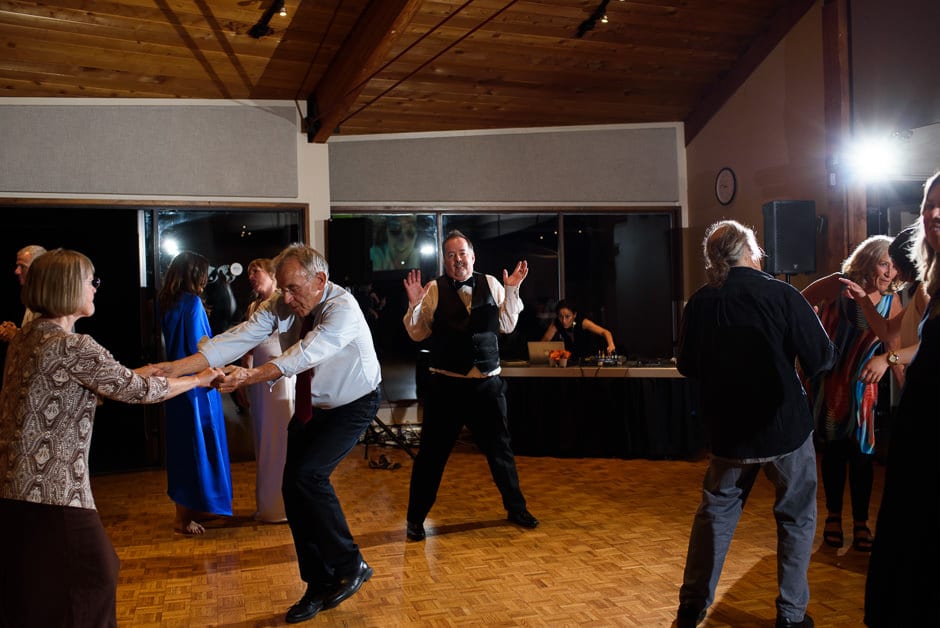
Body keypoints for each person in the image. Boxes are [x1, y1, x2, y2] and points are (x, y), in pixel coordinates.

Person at [154, 243, 381, 624]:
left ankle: (350, 562)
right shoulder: (283, 302)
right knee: (290, 486)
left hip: (354, 402)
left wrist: (251, 376)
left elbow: (304, 354)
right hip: (314, 406)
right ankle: (318, 582)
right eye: (284, 289)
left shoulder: (343, 310)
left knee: (309, 476)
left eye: (293, 289)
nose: (286, 298)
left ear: (320, 280)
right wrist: (177, 367)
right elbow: (239, 336)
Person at [0, 248, 222, 627]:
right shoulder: (73, 346)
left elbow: (89, 387)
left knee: (39, 592)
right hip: (54, 492)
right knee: (95, 578)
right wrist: (200, 379)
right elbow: (138, 391)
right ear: (69, 288)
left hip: (15, 489)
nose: (96, 288)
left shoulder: (27, 339)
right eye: (92, 280)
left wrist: (153, 370)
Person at [674, 220, 836, 628]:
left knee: (715, 517)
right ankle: (791, 615)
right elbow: (822, 359)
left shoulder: (700, 303)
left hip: (729, 436)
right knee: (797, 518)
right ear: (751, 249)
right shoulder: (782, 294)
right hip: (785, 430)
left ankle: (691, 607)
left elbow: (687, 365)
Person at [401, 229, 538, 542]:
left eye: (461, 253)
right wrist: (414, 305)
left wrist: (512, 290)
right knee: (431, 457)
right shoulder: (433, 289)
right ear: (445, 260)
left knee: (500, 452)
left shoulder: (492, 283)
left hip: (487, 386)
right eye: (450, 255)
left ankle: (516, 509)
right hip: (446, 388)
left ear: (472, 257)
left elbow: (506, 326)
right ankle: (415, 519)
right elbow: (419, 334)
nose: (457, 260)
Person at [864, 171, 940, 626]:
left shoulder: (916, 290)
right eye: (930, 204)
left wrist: (890, 357)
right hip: (921, 430)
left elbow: (904, 345)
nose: (934, 213)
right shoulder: (928, 286)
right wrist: (865, 303)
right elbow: (893, 335)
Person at [801, 235, 903, 553]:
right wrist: (808, 351)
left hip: (864, 386)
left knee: (862, 455)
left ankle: (861, 523)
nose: (890, 273)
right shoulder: (838, 283)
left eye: (895, 267)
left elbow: (893, 345)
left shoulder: (892, 301)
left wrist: (888, 364)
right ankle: (833, 517)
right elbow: (797, 306)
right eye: (884, 264)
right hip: (829, 381)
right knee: (833, 451)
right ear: (868, 260)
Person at [157, 251, 233, 535]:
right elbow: (201, 345)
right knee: (200, 445)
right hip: (196, 384)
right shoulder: (191, 303)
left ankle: (194, 508)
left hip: (177, 387)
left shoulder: (168, 302)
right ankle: (184, 517)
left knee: (185, 447)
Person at [240, 257, 294, 523]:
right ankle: (267, 505)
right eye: (249, 273)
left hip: (280, 377)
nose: (251, 276)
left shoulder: (285, 303)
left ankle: (283, 507)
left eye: (256, 271)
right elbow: (249, 347)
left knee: (279, 439)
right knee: (263, 439)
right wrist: (244, 378)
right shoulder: (253, 307)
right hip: (258, 380)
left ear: (272, 276)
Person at [539, 298, 616, 358]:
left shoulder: (583, 322)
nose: (564, 321)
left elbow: (605, 332)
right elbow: (544, 341)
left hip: (590, 357)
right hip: (572, 360)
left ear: (574, 315)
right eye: (560, 316)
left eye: (567, 316)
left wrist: (611, 345)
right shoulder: (557, 323)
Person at [0, 244, 47, 342]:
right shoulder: (34, 296)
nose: (16, 271)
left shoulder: (49, 300)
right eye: (17, 266)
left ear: (39, 269)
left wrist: (14, 337)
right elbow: (36, 336)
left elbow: (46, 348)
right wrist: (15, 332)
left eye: (22, 266)